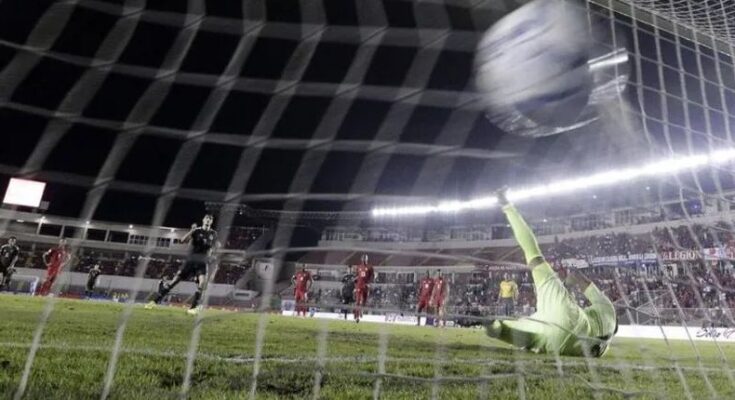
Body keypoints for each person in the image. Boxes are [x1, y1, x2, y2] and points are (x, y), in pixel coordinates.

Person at [485, 189, 618, 357]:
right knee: (520, 334)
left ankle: (506, 205)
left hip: (570, 317)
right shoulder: (604, 348)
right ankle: (493, 327)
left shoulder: (609, 312)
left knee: (534, 255)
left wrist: (567, 284)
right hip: (565, 345)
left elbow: (579, 278)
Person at [146, 214, 218, 315]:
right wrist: (191, 231)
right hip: (191, 261)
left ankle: (193, 308)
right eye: (207, 218)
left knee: (202, 284)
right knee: (174, 282)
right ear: (203, 220)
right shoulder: (196, 230)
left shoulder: (213, 234)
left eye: (210, 219)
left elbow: (211, 248)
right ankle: (154, 301)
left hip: (202, 262)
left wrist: (210, 257)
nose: (208, 220)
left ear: (212, 222)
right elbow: (182, 240)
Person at [354, 254, 374, 323]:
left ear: (367, 259)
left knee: (364, 302)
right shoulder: (358, 267)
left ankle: (361, 310)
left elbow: (372, 277)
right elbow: (356, 276)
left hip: (365, 286)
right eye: (363, 259)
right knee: (358, 301)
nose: (364, 260)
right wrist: (355, 285)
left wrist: (369, 283)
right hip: (359, 286)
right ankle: (357, 316)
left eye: (365, 259)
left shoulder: (370, 267)